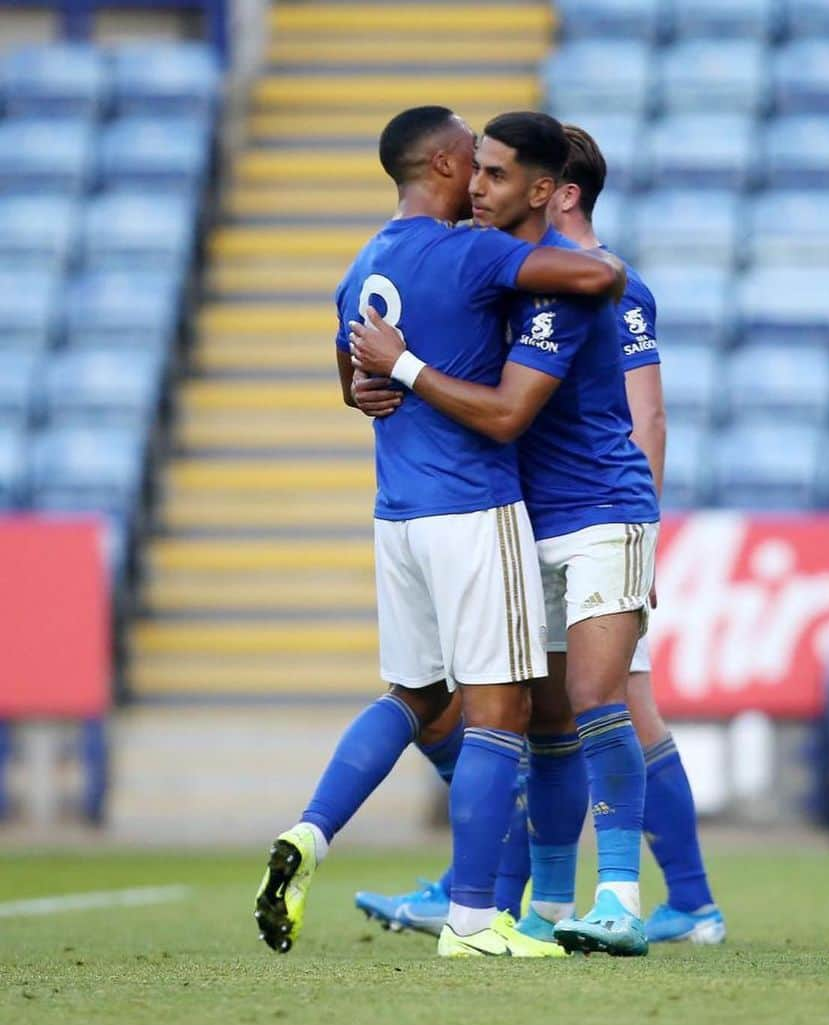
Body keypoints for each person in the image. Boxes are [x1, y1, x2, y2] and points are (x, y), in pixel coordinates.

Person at [253, 105, 624, 960]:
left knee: (415, 697)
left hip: (396, 517)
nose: (484, 180)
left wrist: (370, 385)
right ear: (449, 165)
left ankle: (310, 832)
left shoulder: (366, 260)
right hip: (471, 507)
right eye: (477, 164)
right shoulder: (472, 252)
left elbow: (350, 370)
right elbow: (594, 280)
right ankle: (472, 921)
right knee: (504, 708)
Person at [353, 124, 726, 946]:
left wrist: (648, 535)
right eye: (474, 172)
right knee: (544, 724)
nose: (476, 188)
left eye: (494, 174)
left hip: (603, 513)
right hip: (526, 521)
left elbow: (635, 412)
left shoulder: (594, 288)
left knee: (604, 701)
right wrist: (365, 383)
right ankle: (548, 905)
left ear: (546, 189)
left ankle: (627, 902)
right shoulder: (500, 277)